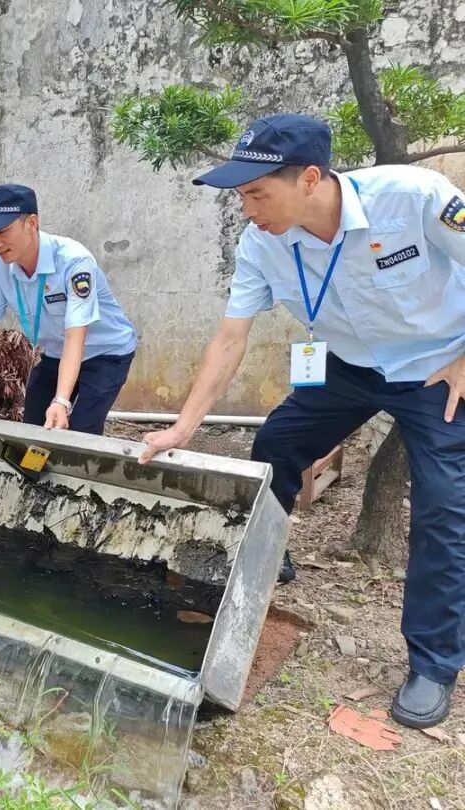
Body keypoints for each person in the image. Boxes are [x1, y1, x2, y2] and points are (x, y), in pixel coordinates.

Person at [138, 113, 465, 729]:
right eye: (242, 196)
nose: (247, 210)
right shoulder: (261, 242)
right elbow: (231, 338)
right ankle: (269, 553)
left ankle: (434, 662)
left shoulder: (414, 197)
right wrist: (183, 427)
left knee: (444, 509)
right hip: (349, 365)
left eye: (258, 194)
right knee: (276, 443)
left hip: (435, 368)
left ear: (310, 179)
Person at [0, 184, 137, 433]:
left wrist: (61, 401)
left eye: (3, 231)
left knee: (81, 431)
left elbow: (76, 336)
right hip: (58, 352)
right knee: (33, 423)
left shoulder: (74, 261)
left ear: (31, 223)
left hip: (105, 352)